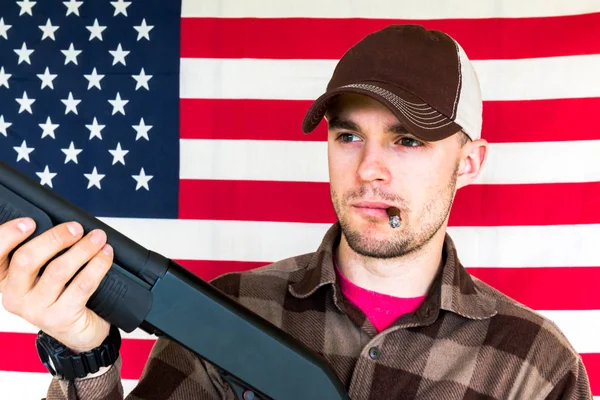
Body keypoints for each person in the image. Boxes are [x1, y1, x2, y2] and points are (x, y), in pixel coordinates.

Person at [0, 24, 592, 400]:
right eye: (347, 136)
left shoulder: (534, 365)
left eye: (408, 141)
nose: (369, 170)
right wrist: (82, 348)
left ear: (469, 162)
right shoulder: (223, 311)